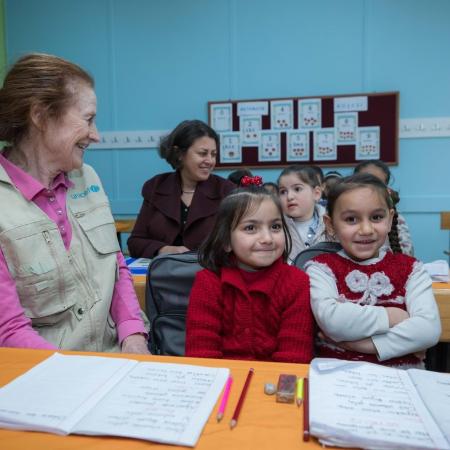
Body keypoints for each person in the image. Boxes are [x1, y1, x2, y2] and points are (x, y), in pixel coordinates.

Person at [0, 53, 148, 353]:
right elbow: (8, 329)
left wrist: (134, 335)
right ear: (40, 116)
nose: (96, 135)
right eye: (88, 119)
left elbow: (115, 268)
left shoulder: (88, 176)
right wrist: (76, 376)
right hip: (42, 376)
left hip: (112, 362)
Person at [305, 173, 441, 368]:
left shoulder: (411, 269)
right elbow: (332, 320)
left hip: (403, 381)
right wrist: (392, 317)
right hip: (338, 381)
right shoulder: (321, 268)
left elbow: (428, 329)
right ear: (331, 225)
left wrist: (364, 345)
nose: (366, 229)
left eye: (376, 217)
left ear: (390, 218)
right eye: (351, 219)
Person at [185, 179, 313, 363]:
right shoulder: (208, 282)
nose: (267, 238)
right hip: (223, 382)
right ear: (226, 241)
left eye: (275, 227)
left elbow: (294, 356)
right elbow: (202, 354)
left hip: (276, 385)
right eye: (251, 228)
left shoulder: (297, 282)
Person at [128, 120, 235, 257]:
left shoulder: (226, 190)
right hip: (165, 272)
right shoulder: (156, 186)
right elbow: (135, 242)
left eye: (213, 154)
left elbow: (237, 243)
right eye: (203, 153)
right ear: (179, 154)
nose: (210, 161)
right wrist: (164, 249)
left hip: (210, 272)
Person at [354, 160, 414, 255]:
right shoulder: (341, 216)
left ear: (386, 189)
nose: (370, 189)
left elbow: (407, 254)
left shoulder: (396, 220)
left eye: (377, 184)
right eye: (364, 182)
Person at [278, 165, 330, 264]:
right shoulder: (276, 227)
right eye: (283, 191)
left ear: (316, 194)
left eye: (297, 189)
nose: (289, 196)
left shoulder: (330, 224)